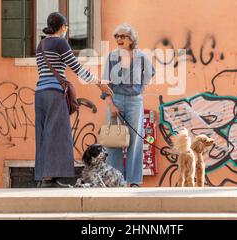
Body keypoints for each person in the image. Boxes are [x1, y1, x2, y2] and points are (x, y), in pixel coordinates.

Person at [35, 12, 112, 188]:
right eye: (66, 26)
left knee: (43, 135)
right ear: (62, 27)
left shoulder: (41, 44)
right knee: (59, 135)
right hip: (55, 93)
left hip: (40, 93)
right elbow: (77, 68)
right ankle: (51, 179)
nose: (66, 29)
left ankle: (43, 177)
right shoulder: (60, 42)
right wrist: (99, 83)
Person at [101, 23, 155, 187]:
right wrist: (111, 104)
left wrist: (139, 89)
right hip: (115, 98)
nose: (119, 39)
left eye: (122, 36)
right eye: (116, 36)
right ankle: (115, 180)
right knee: (113, 141)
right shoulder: (111, 57)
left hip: (134, 101)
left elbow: (150, 74)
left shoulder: (142, 57)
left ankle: (133, 181)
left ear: (131, 39)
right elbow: (105, 84)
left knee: (135, 141)